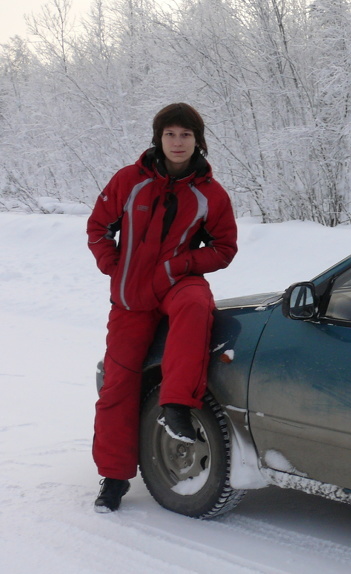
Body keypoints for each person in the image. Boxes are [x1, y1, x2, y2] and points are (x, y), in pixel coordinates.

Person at [86, 103, 238, 513]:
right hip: (131, 295)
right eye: (170, 134)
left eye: (185, 135)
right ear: (159, 138)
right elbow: (98, 227)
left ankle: (176, 407)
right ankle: (114, 477)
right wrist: (113, 267)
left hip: (176, 282)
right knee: (118, 385)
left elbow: (224, 248)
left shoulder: (210, 193)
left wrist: (182, 264)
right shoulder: (129, 181)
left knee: (196, 302)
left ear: (197, 140)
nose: (177, 142)